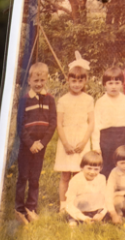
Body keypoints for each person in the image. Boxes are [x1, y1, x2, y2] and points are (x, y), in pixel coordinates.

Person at [14, 62, 55, 224]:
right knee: (23, 176)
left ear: (46, 80)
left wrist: (42, 143)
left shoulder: (50, 99)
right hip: (26, 145)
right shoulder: (24, 100)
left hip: (40, 146)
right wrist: (31, 143)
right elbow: (20, 125)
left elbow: (52, 124)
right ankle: (19, 209)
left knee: (35, 177)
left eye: (42, 81)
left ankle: (32, 207)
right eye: (35, 81)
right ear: (29, 81)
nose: (38, 84)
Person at [55, 54, 95, 206]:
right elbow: (59, 124)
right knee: (65, 175)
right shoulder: (63, 100)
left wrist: (84, 141)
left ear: (85, 81)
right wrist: (65, 143)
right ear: (68, 80)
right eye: (73, 80)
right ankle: (63, 204)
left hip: (81, 139)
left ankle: (78, 203)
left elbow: (91, 123)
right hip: (67, 140)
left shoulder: (88, 99)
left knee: (80, 174)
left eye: (80, 80)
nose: (77, 84)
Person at [92, 65, 125, 178]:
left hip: (122, 137)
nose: (114, 86)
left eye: (117, 83)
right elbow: (96, 125)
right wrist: (96, 146)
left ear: (122, 84)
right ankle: (106, 192)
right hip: (105, 139)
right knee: (106, 168)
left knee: (122, 165)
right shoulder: (100, 102)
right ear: (104, 84)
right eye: (110, 83)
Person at [62, 151, 108, 225]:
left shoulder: (101, 178)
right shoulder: (76, 180)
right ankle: (75, 221)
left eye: (96, 169)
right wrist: (83, 218)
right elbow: (69, 203)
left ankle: (97, 220)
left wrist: (101, 213)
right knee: (73, 220)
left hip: (95, 209)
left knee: (109, 211)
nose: (92, 172)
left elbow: (106, 198)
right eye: (89, 168)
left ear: (101, 168)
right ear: (82, 167)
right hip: (80, 209)